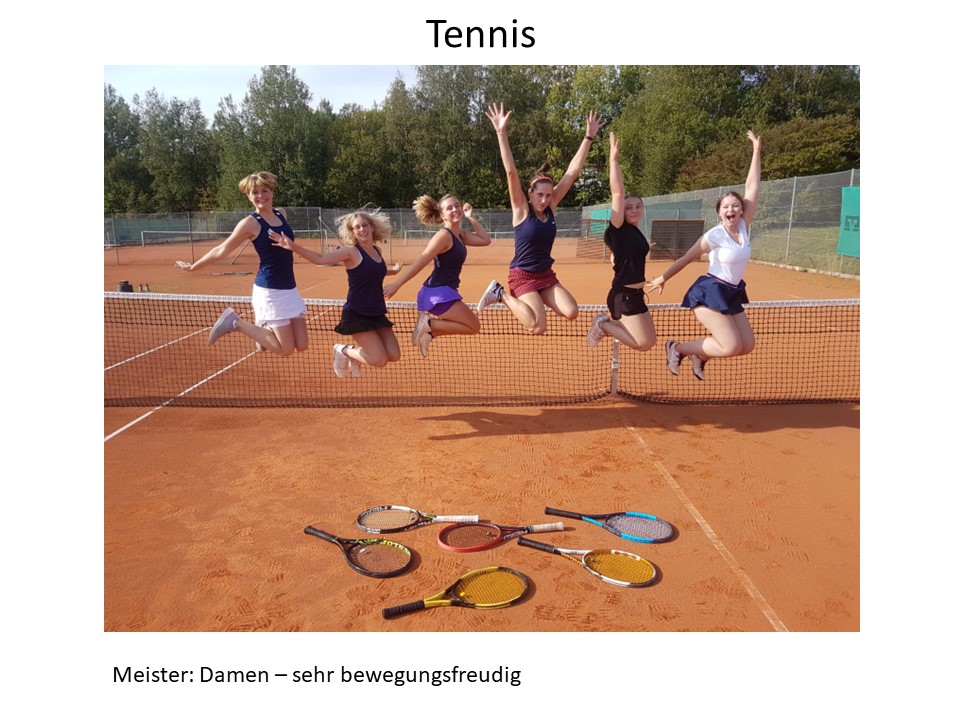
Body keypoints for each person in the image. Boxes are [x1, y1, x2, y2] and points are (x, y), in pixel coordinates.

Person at [476, 102, 605, 335]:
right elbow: (511, 172)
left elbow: (572, 173)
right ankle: (500, 293)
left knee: (572, 312)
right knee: (537, 326)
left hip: (545, 275)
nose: (545, 200)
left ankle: (535, 299)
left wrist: (588, 137)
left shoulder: (550, 208)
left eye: (548, 195)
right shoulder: (521, 210)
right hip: (522, 276)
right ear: (530, 193)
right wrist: (501, 132)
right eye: (540, 195)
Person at [645, 130, 763, 381]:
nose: (731, 209)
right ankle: (677, 348)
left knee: (747, 345)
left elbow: (752, 187)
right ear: (719, 212)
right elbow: (686, 258)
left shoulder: (743, 225)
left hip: (732, 292)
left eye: (735, 205)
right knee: (730, 346)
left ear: (741, 209)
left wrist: (756, 150)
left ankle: (700, 356)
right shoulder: (714, 235)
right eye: (726, 206)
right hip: (710, 291)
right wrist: (663, 278)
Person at [176, 171, 308, 356]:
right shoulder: (250, 223)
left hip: (290, 289)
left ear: (272, 192)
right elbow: (222, 250)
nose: (260, 196)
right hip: (270, 290)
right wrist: (193, 266)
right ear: (248, 196)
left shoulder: (281, 214)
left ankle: (263, 330)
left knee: (302, 345)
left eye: (265, 190)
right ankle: (235, 322)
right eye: (255, 192)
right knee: (286, 350)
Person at [271, 207, 403, 378]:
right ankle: (344, 350)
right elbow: (320, 259)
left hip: (377, 311)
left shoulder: (377, 251)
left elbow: (376, 270)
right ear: (352, 232)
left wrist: (394, 271)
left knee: (394, 355)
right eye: (357, 227)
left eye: (365, 225)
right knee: (379, 360)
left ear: (372, 227)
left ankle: (354, 354)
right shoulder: (351, 252)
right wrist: (292, 246)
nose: (362, 229)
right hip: (357, 313)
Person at [383, 194, 492, 357]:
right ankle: (429, 324)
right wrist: (397, 284)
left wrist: (470, 217)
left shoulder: (460, 235)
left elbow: (485, 240)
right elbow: (421, 261)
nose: (455, 209)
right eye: (449, 208)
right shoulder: (443, 236)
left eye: (457, 205)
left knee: (473, 327)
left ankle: (430, 332)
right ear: (442, 215)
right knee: (473, 326)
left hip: (444, 291)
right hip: (437, 293)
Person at [585, 132, 656, 352]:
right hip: (622, 295)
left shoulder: (636, 233)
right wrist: (613, 159)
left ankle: (606, 324)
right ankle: (603, 325)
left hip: (636, 295)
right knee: (642, 343)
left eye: (638, 206)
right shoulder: (618, 229)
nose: (634, 210)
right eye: (628, 207)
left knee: (650, 341)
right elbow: (617, 192)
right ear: (620, 212)